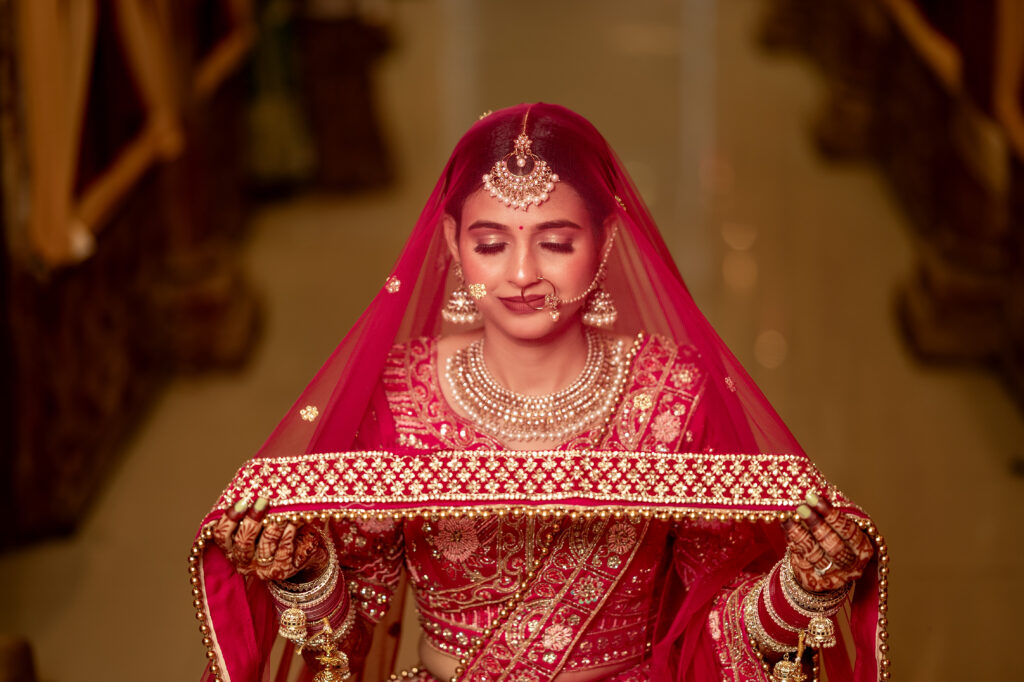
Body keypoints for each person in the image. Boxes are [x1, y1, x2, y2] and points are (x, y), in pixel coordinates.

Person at [188, 103, 888, 682]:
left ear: (607, 240)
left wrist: (804, 584)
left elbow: (714, 620)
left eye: (555, 241)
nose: (522, 274)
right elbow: (356, 624)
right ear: (453, 244)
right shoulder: (402, 393)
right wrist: (306, 571)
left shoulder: (671, 392)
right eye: (492, 244)